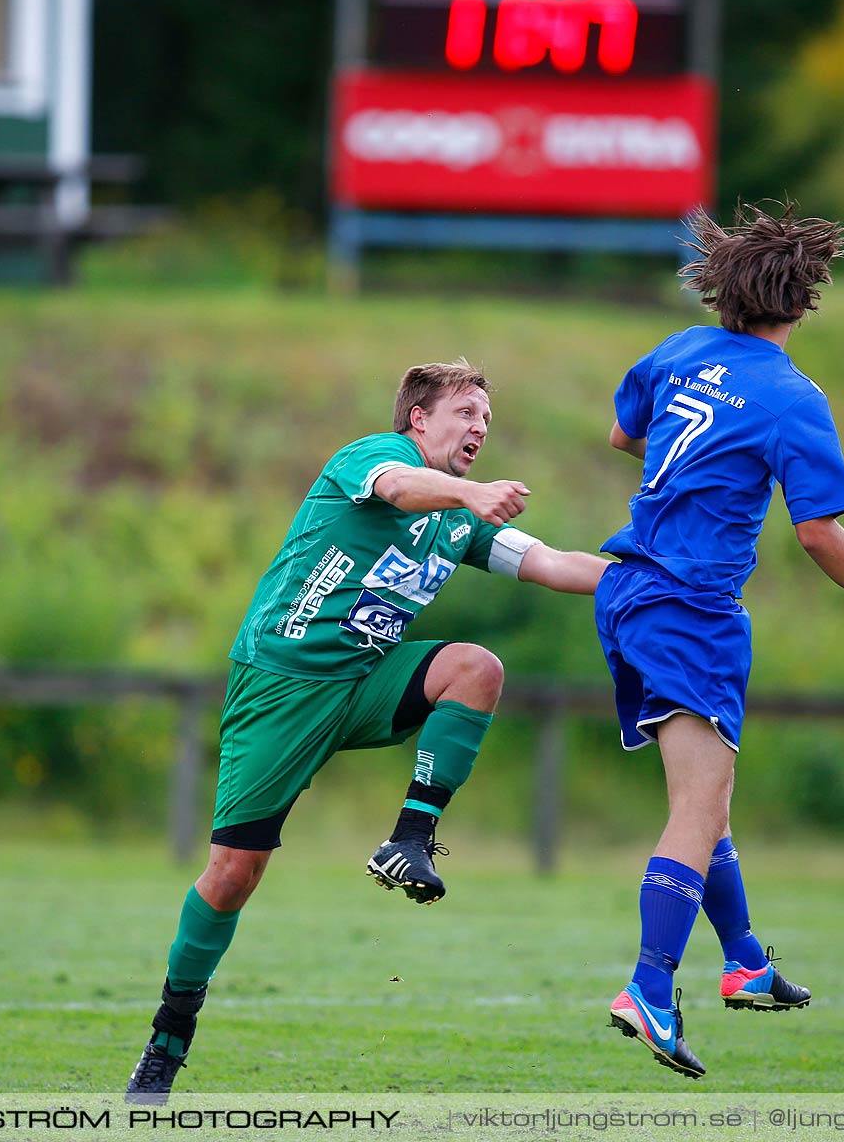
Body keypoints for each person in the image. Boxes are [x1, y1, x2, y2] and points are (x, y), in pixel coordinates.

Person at [125, 361, 613, 1099]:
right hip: (281, 689)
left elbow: (549, 562)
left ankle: (408, 840)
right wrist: (472, 493)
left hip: (362, 683)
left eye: (487, 417)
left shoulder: (456, 517)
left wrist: (655, 583)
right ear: (418, 419)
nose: (481, 426)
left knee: (476, 668)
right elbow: (397, 488)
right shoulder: (373, 460)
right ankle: (167, 1041)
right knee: (233, 876)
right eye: (465, 411)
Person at [594, 204, 844, 1079]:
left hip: (630, 589)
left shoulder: (676, 353)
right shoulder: (793, 397)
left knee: (708, 798)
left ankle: (744, 960)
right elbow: (818, 533)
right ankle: (650, 986)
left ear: (726, 290)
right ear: (803, 299)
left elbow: (625, 433)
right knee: (696, 811)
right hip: (692, 607)